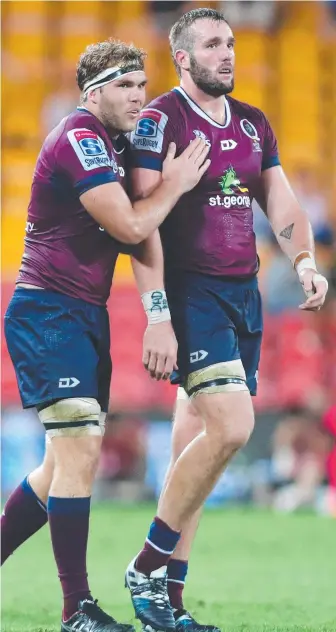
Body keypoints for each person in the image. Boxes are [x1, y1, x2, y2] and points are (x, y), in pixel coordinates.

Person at [125, 8, 329, 632]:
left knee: (200, 450)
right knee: (234, 426)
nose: (228, 53)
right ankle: (145, 565)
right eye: (213, 44)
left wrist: (302, 259)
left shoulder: (252, 123)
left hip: (244, 298)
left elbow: (279, 196)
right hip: (192, 295)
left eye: (232, 43)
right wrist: (157, 315)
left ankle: (170, 603)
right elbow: (140, 224)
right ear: (182, 58)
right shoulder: (161, 121)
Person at [1, 37, 210, 632]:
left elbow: (144, 234)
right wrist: (173, 185)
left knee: (57, 468)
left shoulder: (120, 145)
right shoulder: (80, 139)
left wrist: (159, 309)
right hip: (49, 310)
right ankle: (77, 610)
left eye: (143, 85)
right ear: (94, 92)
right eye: (125, 86)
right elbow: (130, 223)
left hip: (83, 314)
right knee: (81, 447)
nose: (139, 96)